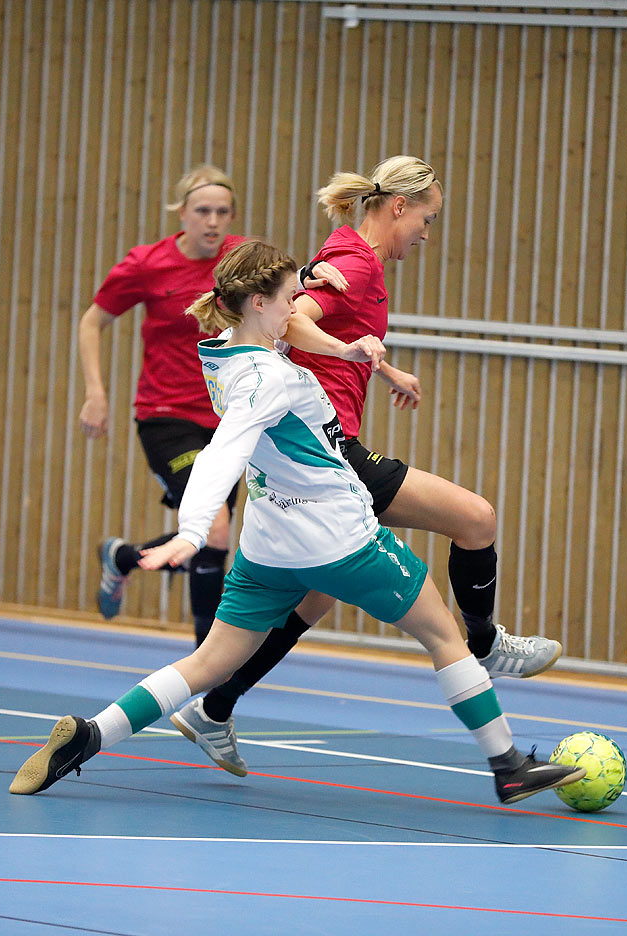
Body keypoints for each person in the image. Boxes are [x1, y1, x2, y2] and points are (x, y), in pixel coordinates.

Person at [8, 240, 585, 805]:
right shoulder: (267, 380)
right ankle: (507, 765)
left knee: (207, 663)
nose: (298, 307)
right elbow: (223, 453)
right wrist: (190, 532)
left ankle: (90, 735)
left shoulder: (221, 350)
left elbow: (277, 325)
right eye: (289, 298)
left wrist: (313, 284)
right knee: (444, 635)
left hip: (268, 545)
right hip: (336, 536)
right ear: (259, 304)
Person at [168, 157, 561, 776]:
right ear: (398, 208)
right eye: (427, 219)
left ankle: (214, 708)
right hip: (334, 455)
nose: (427, 234)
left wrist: (380, 367)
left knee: (312, 599)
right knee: (475, 518)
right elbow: (291, 320)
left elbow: (312, 316)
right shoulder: (354, 262)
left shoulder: (347, 251)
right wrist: (348, 348)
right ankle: (483, 645)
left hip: (318, 462)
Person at [76, 165, 346, 645]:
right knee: (217, 529)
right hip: (165, 417)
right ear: (182, 213)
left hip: (231, 416)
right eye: (203, 211)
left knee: (217, 540)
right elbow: (91, 322)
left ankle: (123, 559)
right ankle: (207, 654)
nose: (213, 221)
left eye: (223, 211)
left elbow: (286, 292)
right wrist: (96, 392)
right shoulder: (146, 264)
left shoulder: (238, 262)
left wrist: (313, 272)